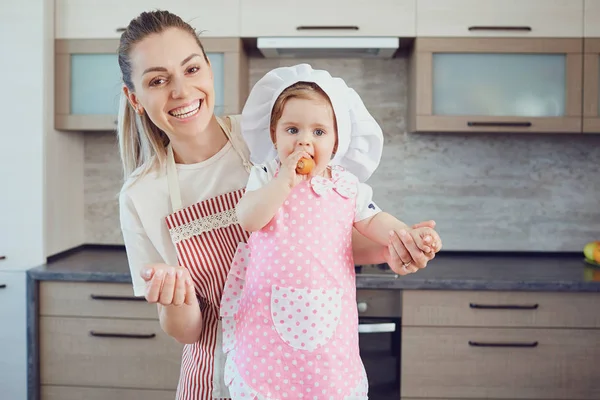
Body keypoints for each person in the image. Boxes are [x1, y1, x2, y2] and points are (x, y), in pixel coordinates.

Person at [116, 9, 441, 400]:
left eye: (191, 69)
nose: (182, 91)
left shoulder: (271, 136)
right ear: (134, 98)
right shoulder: (140, 195)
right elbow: (185, 330)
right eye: (157, 80)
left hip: (301, 368)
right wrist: (175, 298)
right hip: (215, 376)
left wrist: (397, 248)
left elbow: (328, 239)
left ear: (209, 68)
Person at [218, 64, 441, 399]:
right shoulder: (267, 175)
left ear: (337, 141)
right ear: (274, 134)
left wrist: (407, 235)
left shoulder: (346, 186)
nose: (304, 141)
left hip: (328, 332)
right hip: (264, 330)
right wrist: (285, 182)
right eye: (292, 129)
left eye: (319, 132)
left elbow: (375, 220)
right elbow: (249, 218)